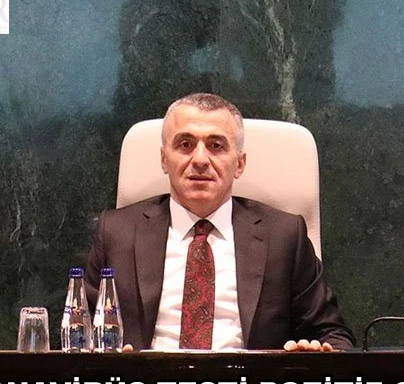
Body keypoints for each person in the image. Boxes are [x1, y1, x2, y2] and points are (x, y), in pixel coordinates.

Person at [85, 93, 354, 351]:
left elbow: (333, 335)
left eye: (216, 146)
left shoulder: (284, 237)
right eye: (185, 144)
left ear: (240, 164)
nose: (200, 160)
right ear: (164, 159)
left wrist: (317, 351)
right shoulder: (116, 233)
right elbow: (78, 334)